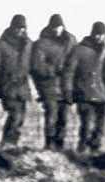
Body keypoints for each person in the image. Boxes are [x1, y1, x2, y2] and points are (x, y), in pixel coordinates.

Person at [0, 15, 32, 148]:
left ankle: (10, 145)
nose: (21, 31)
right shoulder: (1, 45)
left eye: (23, 28)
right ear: (12, 28)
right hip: (7, 87)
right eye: (18, 28)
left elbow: (32, 65)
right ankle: (7, 144)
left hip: (22, 89)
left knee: (20, 118)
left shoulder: (28, 45)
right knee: (15, 116)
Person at [64, 23, 105, 156]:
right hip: (84, 94)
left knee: (99, 128)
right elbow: (69, 72)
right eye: (97, 34)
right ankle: (82, 152)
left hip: (103, 96)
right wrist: (68, 91)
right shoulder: (79, 50)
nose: (99, 37)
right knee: (86, 126)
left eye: (102, 34)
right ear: (92, 34)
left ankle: (95, 153)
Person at [31, 14, 76, 150]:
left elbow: (76, 61)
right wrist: (56, 69)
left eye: (59, 27)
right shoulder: (41, 44)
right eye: (54, 27)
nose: (57, 30)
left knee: (63, 118)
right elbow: (37, 66)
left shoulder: (71, 42)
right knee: (51, 116)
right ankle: (49, 144)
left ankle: (59, 145)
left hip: (66, 86)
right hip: (48, 86)